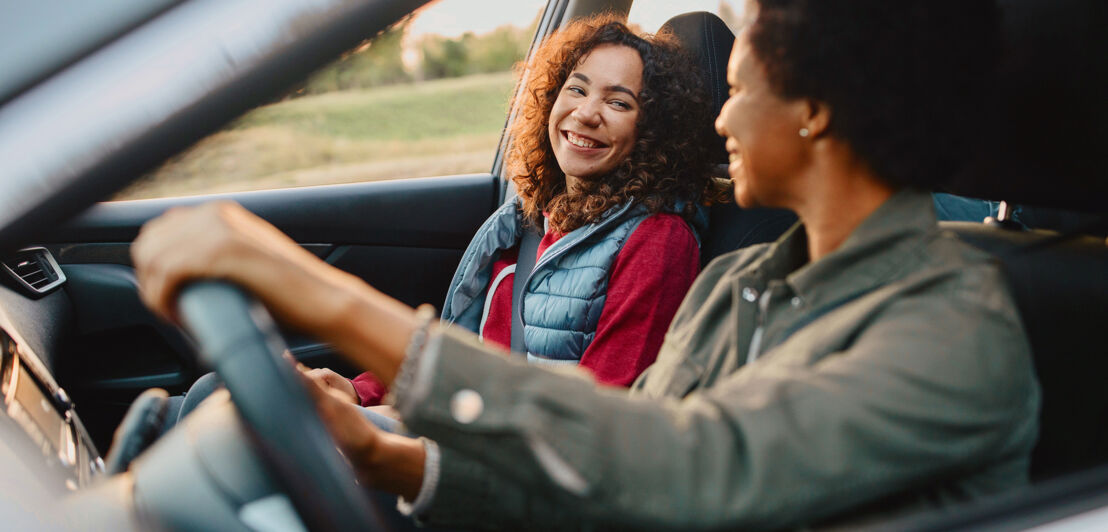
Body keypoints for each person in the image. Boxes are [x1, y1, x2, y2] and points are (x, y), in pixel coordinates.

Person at [131, 0, 1040, 529]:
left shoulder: (951, 337)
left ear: (816, 110)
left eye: (735, 93)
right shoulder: (738, 287)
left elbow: (690, 469)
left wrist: (322, 295)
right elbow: (599, 479)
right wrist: (384, 457)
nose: (720, 126)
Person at [164, 16, 727, 424]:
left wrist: (405, 435)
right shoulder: (527, 220)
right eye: (576, 88)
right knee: (216, 395)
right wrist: (361, 392)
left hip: (500, 470)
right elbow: (458, 336)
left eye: (618, 101)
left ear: (652, 131)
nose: (585, 112)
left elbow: (605, 422)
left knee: (243, 421)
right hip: (452, 422)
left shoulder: (658, 240)